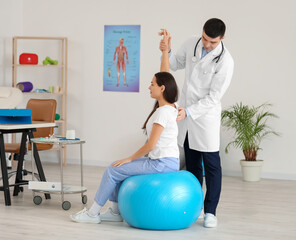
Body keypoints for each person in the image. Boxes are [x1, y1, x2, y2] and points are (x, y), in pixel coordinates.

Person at [70, 33, 179, 224]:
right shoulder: (171, 107)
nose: (149, 87)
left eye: (152, 84)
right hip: (169, 162)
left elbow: (151, 145)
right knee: (119, 167)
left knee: (113, 169)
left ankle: (93, 213)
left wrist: (129, 158)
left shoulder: (162, 112)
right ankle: (114, 212)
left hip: (161, 164)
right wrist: (164, 52)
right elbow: (166, 75)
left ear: (162, 88)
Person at [159, 18, 234, 228]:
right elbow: (173, 65)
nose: (207, 45)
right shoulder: (192, 42)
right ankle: (194, 206)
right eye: (204, 39)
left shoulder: (226, 61)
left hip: (205, 117)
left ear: (222, 38)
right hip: (186, 113)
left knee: (211, 166)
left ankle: (210, 211)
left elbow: (213, 98)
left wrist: (190, 112)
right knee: (192, 164)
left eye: (212, 42)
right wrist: (167, 49)